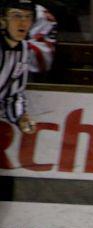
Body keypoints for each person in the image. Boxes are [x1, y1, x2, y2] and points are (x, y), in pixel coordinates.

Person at [0, 0, 35, 134]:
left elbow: (13, 94)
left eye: (28, 16)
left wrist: (20, 116)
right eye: (16, 16)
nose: (23, 23)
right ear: (3, 20)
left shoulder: (24, 49)